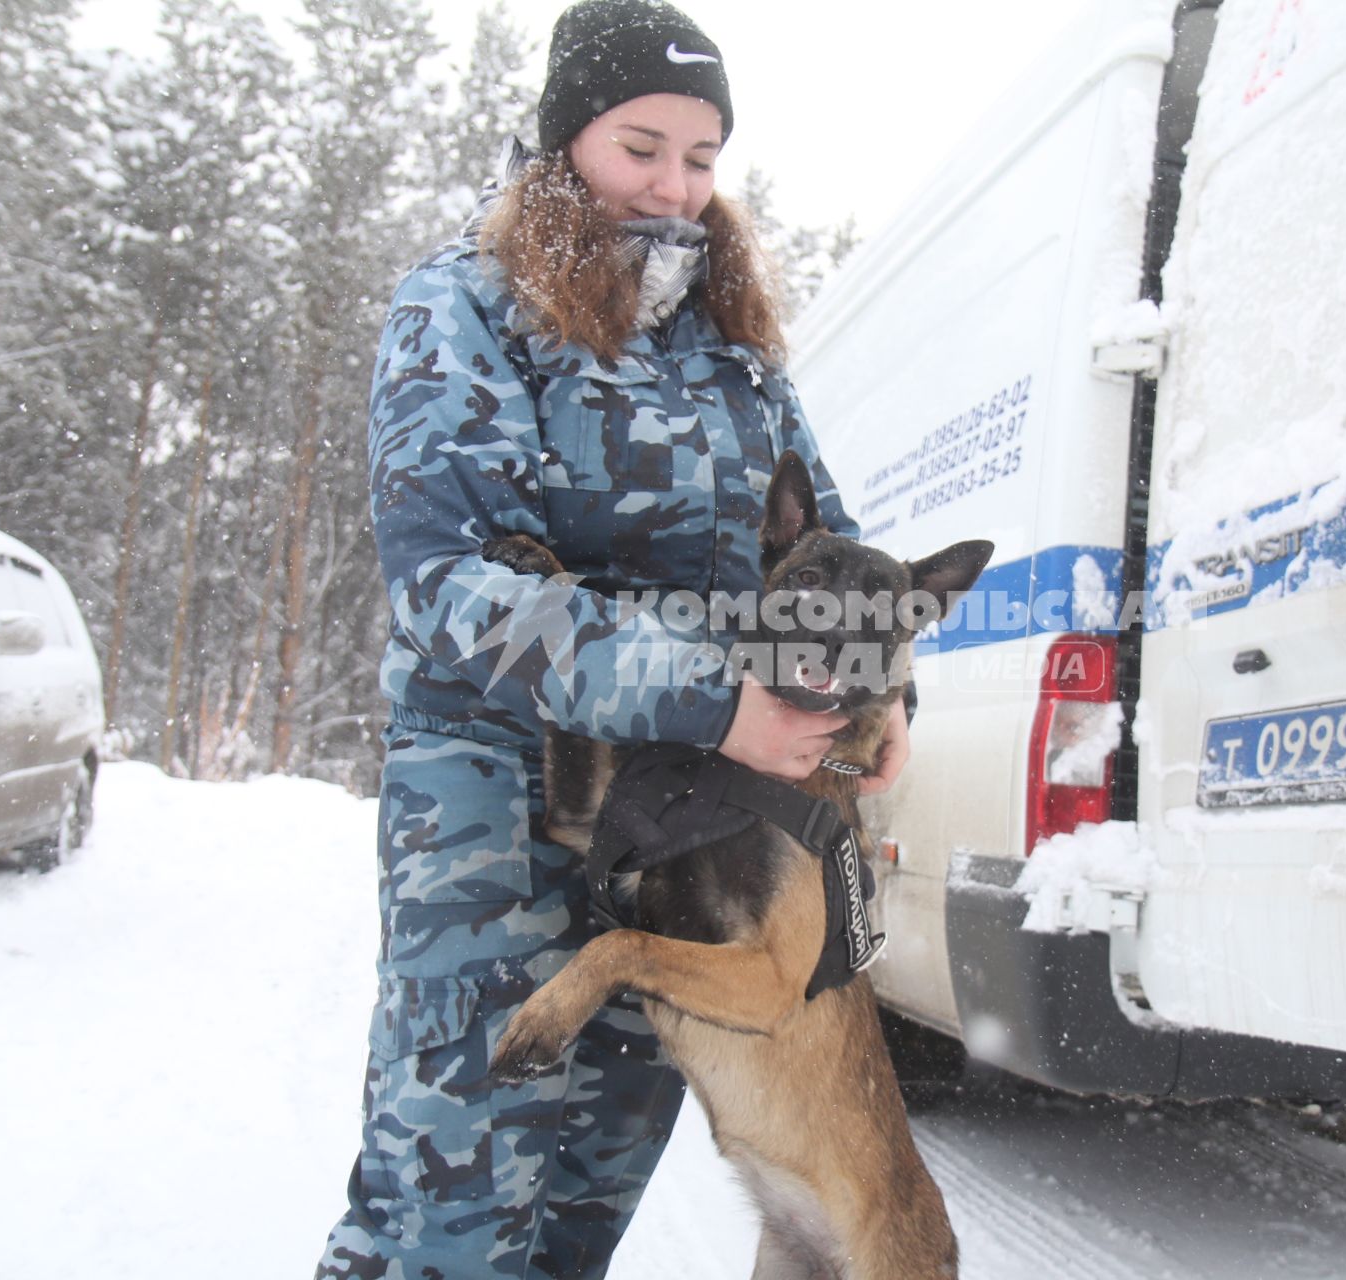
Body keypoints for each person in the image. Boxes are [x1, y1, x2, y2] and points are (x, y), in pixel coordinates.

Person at [316, 2, 907, 1276]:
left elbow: (834, 541)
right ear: (563, 138)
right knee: (450, 1204)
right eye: (642, 145)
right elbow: (453, 587)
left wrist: (885, 691)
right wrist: (712, 696)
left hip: (683, 830)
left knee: (586, 1197)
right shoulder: (465, 307)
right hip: (495, 807)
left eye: (701, 159)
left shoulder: (735, 351)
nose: (676, 187)